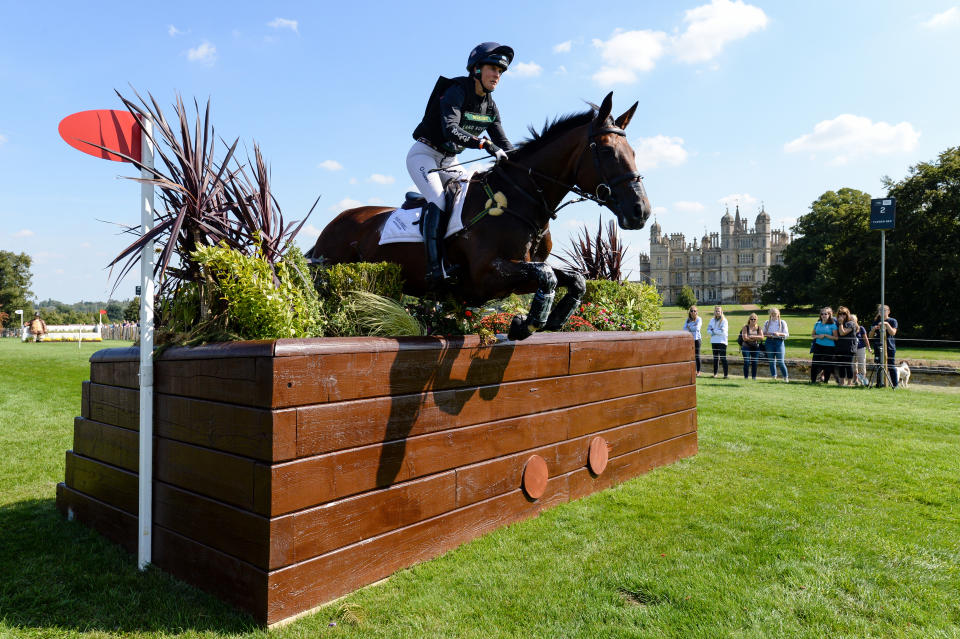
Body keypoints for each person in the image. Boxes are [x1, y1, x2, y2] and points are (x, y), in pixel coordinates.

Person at [409, 42, 515, 287]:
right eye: (493, 68)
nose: (497, 75)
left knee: (469, 201)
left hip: (449, 160)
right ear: (476, 69)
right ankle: (435, 270)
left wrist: (524, 161)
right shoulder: (457, 89)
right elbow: (451, 130)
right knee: (439, 201)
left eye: (501, 71)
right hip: (424, 155)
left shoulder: (490, 104)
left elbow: (503, 142)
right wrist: (483, 144)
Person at [869, 304, 899, 387]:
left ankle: (895, 385)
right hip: (878, 347)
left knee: (891, 366)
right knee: (879, 365)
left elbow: (893, 332)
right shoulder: (875, 321)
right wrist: (873, 329)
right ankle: (879, 384)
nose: (882, 312)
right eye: (880, 310)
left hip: (890, 347)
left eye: (884, 310)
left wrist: (886, 324)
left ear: (889, 311)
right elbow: (870, 336)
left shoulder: (893, 321)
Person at [810, 306, 838, 383]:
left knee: (827, 365)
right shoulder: (817, 323)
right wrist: (819, 336)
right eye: (822, 314)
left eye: (825, 314)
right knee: (815, 363)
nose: (823, 315)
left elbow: (836, 338)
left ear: (829, 315)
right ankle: (813, 380)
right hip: (818, 346)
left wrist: (826, 335)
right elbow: (812, 335)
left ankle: (826, 381)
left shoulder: (833, 325)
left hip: (829, 347)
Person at [763, 308, 790, 381]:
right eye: (772, 313)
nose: (773, 315)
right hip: (769, 342)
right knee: (771, 361)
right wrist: (767, 334)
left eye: (775, 313)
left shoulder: (782, 322)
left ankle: (785, 377)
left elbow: (787, 334)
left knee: (780, 361)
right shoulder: (767, 322)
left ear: (778, 314)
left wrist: (779, 334)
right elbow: (763, 333)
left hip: (779, 342)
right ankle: (774, 377)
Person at [834, 306, 858, 386]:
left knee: (848, 365)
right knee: (841, 365)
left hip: (849, 348)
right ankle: (841, 382)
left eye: (844, 314)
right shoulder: (837, 323)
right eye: (840, 314)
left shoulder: (851, 323)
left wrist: (840, 323)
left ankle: (849, 383)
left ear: (847, 314)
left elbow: (842, 333)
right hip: (839, 347)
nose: (842, 315)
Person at [739, 313, 764, 379]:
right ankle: (746, 377)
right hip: (746, 347)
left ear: (756, 320)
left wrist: (752, 336)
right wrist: (756, 338)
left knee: (755, 362)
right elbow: (744, 338)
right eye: (751, 319)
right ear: (749, 319)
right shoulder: (745, 327)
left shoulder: (759, 328)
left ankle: (754, 377)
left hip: (755, 347)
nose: (753, 320)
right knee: (746, 362)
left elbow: (762, 337)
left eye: (754, 319)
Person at [707, 305, 729, 378]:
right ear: (714, 312)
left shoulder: (724, 320)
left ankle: (725, 375)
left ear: (721, 312)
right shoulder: (712, 320)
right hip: (714, 341)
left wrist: (713, 331)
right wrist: (715, 331)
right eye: (716, 311)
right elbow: (708, 330)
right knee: (715, 358)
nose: (717, 312)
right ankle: (715, 374)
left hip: (722, 341)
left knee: (723, 358)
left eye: (718, 311)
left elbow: (722, 331)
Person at [853, 313, 872, 386]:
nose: (852, 321)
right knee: (853, 365)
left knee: (861, 364)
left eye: (853, 320)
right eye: (850, 320)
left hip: (861, 348)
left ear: (856, 320)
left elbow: (866, 339)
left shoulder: (861, 328)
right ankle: (855, 380)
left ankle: (863, 381)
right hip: (852, 349)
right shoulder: (848, 328)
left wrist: (869, 347)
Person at [682, 306, 702, 376]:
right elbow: (684, 329)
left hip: (697, 339)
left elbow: (697, 328)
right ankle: (692, 370)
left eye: (694, 311)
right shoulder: (688, 320)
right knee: (690, 356)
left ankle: (698, 371)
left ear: (697, 312)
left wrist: (689, 327)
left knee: (697, 356)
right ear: (689, 312)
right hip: (689, 340)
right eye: (691, 311)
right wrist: (692, 327)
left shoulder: (699, 319)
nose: (693, 312)